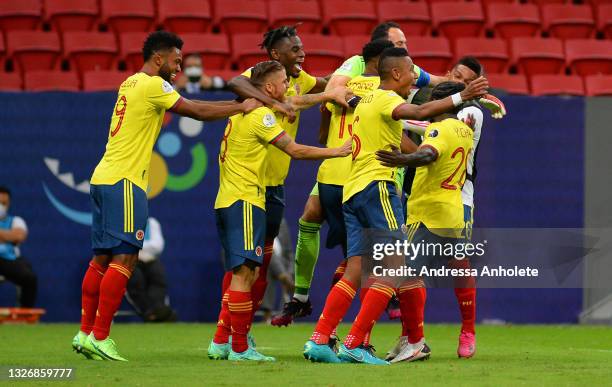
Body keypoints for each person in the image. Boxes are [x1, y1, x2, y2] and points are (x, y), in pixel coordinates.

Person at [71, 30, 261, 362]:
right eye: (175, 62)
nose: (178, 70)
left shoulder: (130, 82)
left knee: (100, 259)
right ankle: (100, 336)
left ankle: (85, 332)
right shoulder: (154, 84)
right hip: (125, 181)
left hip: (103, 176)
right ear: (158, 59)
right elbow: (197, 111)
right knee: (125, 258)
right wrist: (240, 106)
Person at [303, 48, 488, 365]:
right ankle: (356, 343)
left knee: (357, 270)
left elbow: (412, 127)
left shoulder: (369, 101)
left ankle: (320, 339)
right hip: (379, 187)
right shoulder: (390, 100)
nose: (416, 76)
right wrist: (461, 97)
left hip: (353, 189)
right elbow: (425, 113)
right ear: (397, 74)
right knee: (396, 269)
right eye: (411, 71)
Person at [207, 60, 352, 362]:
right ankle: (239, 348)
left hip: (227, 199)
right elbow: (295, 150)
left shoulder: (241, 110)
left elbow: (296, 101)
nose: (289, 86)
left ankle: (226, 342)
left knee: (244, 272)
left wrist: (321, 97)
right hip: (246, 200)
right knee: (245, 275)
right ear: (269, 87)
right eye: (284, 81)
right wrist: (336, 151)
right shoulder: (261, 115)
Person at [271, 39, 397, 344]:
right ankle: (354, 337)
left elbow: (323, 124)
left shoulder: (341, 85)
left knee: (311, 221)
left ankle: (304, 300)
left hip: (329, 174)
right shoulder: (383, 93)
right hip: (357, 177)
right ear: (382, 63)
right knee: (363, 263)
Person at [387, 57, 487, 362]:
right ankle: (411, 336)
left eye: (464, 79)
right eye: (454, 73)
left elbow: (430, 133)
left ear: (471, 87)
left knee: (456, 263)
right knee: (411, 267)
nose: (455, 79)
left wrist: (391, 116)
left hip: (458, 195)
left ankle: (467, 330)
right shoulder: (431, 105)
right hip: (423, 192)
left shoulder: (469, 112)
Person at [125, 217, 176, 322]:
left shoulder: (152, 222)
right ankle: (148, 312)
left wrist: (138, 246)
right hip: (130, 259)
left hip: (150, 259)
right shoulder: (123, 222)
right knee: (136, 279)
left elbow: (158, 245)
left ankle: (159, 310)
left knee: (157, 275)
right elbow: (125, 244)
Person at [0, 186, 37, 308]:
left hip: (9, 262)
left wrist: (9, 236)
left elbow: (19, 235)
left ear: (8, 204)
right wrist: (8, 236)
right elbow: (13, 236)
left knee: (29, 277)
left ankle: (25, 316)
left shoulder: (16, 221)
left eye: (3, 203)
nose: (1, 206)